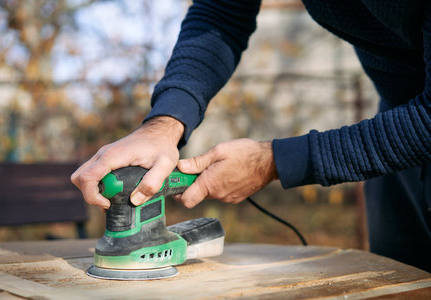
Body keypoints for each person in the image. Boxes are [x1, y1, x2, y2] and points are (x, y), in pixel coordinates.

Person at [71, 0, 431, 271]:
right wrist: (164, 124)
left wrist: (273, 161)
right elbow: (222, 13)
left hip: (418, 126)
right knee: (398, 280)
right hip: (396, 132)